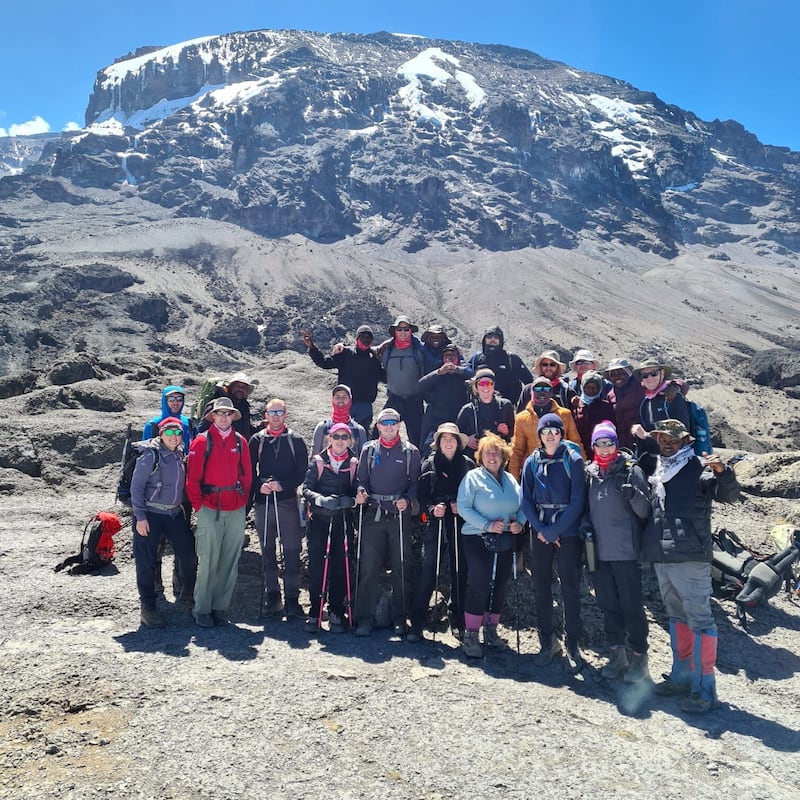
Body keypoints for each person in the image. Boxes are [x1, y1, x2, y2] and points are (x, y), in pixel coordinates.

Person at [643, 419, 740, 713]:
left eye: (673, 439)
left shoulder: (699, 468)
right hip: (663, 554)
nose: (667, 443)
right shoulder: (660, 470)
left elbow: (729, 495)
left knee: (700, 622)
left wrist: (724, 473)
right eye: (662, 438)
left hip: (690, 556)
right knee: (676, 617)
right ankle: (681, 677)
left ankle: (705, 690)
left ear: (685, 441)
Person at [582, 421, 652, 681]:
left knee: (632, 606)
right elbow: (586, 511)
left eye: (608, 442)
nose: (604, 448)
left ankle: (639, 660)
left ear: (615, 443)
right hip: (598, 553)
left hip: (626, 552)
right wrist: (585, 527)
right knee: (608, 605)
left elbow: (646, 511)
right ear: (593, 446)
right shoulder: (589, 473)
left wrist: (633, 495)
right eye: (599, 443)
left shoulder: (630, 471)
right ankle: (617, 655)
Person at [520, 413, 586, 672]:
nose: (550, 434)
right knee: (541, 587)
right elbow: (525, 499)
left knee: (570, 588)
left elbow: (578, 499)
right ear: (539, 434)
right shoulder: (531, 461)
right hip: (541, 531)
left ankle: (573, 644)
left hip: (566, 532)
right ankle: (547, 641)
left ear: (561, 433)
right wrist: (542, 529)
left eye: (555, 430)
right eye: (545, 430)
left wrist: (554, 530)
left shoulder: (573, 460)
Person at [353, 408, 421, 638]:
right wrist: (361, 491)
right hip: (373, 514)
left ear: (399, 424)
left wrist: (408, 499)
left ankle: (400, 619)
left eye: (393, 422)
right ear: (379, 426)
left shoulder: (411, 452)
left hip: (399, 516)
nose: (389, 426)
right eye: (385, 422)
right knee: (368, 567)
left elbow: (415, 483)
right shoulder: (369, 450)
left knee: (401, 567)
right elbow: (361, 478)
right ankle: (364, 619)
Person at [456, 432, 525, 658]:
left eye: (496, 453)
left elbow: (521, 506)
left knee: (500, 584)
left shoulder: (511, 480)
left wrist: (520, 523)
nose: (492, 457)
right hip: (477, 536)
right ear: (480, 456)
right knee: (480, 583)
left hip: (505, 537)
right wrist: (486, 525)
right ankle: (472, 635)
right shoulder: (472, 478)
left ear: (503, 456)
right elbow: (463, 508)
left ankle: (491, 631)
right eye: (487, 453)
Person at [185, 397, 253, 627]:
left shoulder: (240, 441)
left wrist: (242, 500)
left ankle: (219, 607)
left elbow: (247, 476)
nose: (224, 417)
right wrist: (199, 506)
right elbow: (192, 479)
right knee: (208, 560)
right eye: (220, 413)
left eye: (228, 414)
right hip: (209, 507)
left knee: (229, 561)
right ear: (212, 416)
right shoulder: (201, 441)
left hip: (235, 507)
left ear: (233, 417)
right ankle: (202, 609)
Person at [408, 423, 476, 642]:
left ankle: (459, 622)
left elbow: (475, 495)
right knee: (429, 571)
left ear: (458, 442)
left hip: (460, 523)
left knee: (460, 571)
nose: (448, 442)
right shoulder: (429, 464)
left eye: (452, 438)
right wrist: (431, 509)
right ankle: (417, 622)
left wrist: (462, 508)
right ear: (438, 443)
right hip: (436, 523)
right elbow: (422, 496)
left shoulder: (468, 465)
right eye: (444, 439)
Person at [131, 417, 197, 628]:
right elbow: (136, 487)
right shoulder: (150, 455)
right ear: (161, 434)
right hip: (150, 514)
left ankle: (187, 594)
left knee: (188, 554)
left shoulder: (179, 454)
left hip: (173, 513)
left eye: (177, 433)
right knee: (146, 561)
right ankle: (148, 608)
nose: (174, 437)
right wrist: (140, 517)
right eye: (169, 433)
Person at [249, 398, 309, 618]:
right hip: (263, 503)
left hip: (288, 502)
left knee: (292, 550)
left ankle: (292, 597)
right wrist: (259, 485)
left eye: (279, 412)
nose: (275, 416)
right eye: (271, 412)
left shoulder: (295, 440)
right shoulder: (257, 440)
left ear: (285, 414)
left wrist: (283, 485)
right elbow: (247, 470)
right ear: (265, 415)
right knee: (267, 550)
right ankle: (273, 595)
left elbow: (303, 471)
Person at [301, 423, 362, 633]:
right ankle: (315, 612)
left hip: (342, 522)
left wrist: (350, 501)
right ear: (329, 438)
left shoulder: (354, 463)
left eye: (345, 436)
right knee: (318, 568)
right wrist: (321, 500)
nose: (340, 440)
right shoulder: (318, 461)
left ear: (350, 440)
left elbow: (359, 490)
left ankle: (336, 611)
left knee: (340, 567)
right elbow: (306, 489)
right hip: (319, 521)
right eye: (336, 436)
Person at [302, 326, 384, 431]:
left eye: (369, 337)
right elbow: (325, 363)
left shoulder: (374, 360)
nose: (366, 340)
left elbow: (386, 377)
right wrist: (312, 347)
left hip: (365, 406)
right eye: (363, 337)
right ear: (357, 339)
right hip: (344, 404)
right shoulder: (346, 353)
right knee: (341, 435)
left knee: (361, 436)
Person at [509, 375, 584, 480]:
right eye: (537, 389)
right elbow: (517, 451)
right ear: (531, 392)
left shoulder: (565, 414)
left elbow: (575, 444)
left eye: (546, 388)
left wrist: (582, 472)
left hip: (563, 470)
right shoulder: (521, 418)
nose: (542, 392)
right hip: (535, 471)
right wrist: (514, 481)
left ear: (551, 392)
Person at [375, 316, 435, 448]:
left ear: (411, 331)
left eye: (406, 329)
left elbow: (437, 354)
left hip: (414, 400)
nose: (403, 332)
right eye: (399, 329)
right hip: (394, 399)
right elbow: (365, 350)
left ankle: (418, 466)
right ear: (394, 331)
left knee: (417, 439)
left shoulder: (420, 350)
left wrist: (454, 349)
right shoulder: (386, 350)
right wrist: (343, 347)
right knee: (377, 432)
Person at [417, 343, 471, 452]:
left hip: (459, 422)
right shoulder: (437, 370)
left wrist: (457, 369)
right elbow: (420, 386)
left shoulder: (464, 372)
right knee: (428, 449)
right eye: (446, 356)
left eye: (452, 356)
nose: (449, 359)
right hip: (437, 421)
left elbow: (474, 374)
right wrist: (439, 373)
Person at [456, 368, 515, 459]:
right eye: (482, 384)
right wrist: (466, 440)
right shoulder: (468, 409)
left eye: (489, 383)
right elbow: (456, 434)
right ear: (476, 387)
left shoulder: (505, 405)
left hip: (500, 456)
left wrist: (507, 432)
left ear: (494, 385)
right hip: (475, 457)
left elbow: (515, 432)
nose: (485, 387)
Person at [468, 326, 533, 403]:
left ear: (501, 340)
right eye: (489, 337)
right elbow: (468, 379)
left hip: (507, 408)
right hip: (481, 408)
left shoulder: (511, 359)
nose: (492, 339)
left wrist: (524, 405)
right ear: (484, 339)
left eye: (496, 337)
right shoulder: (476, 358)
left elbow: (529, 383)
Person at [310, 384, 368, 457]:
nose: (341, 400)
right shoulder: (322, 427)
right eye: (337, 397)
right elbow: (314, 456)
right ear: (332, 399)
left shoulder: (359, 430)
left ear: (350, 400)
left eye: (344, 397)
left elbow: (363, 459)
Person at [198, 372, 259, 439]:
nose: (241, 389)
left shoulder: (244, 406)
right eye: (238, 386)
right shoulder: (217, 404)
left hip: (239, 447)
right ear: (230, 387)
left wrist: (260, 426)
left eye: (244, 387)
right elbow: (202, 429)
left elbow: (245, 430)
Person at [603, 358, 644, 452]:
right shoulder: (610, 395)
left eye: (621, 373)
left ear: (629, 373)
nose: (617, 377)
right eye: (613, 374)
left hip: (642, 442)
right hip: (621, 445)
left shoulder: (641, 387)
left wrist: (676, 386)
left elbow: (664, 385)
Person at [572, 371, 617, 456]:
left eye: (595, 387)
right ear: (582, 387)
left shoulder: (606, 407)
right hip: (581, 451)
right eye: (588, 387)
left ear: (600, 389)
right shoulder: (576, 406)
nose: (591, 390)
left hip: (601, 450)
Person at [142, 385, 196, 450]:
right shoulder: (152, 425)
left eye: (179, 399)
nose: (175, 402)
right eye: (171, 399)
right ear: (165, 401)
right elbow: (145, 452)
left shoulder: (189, 424)